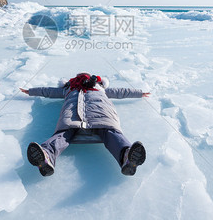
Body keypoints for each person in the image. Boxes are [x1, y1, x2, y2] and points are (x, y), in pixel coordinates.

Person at [20, 73, 150, 176]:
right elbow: (48, 91)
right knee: (64, 134)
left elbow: (121, 92)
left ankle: (127, 157)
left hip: (101, 114)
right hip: (73, 115)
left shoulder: (100, 88)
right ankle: (46, 156)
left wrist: (139, 93)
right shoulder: (68, 89)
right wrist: (30, 91)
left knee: (111, 133)